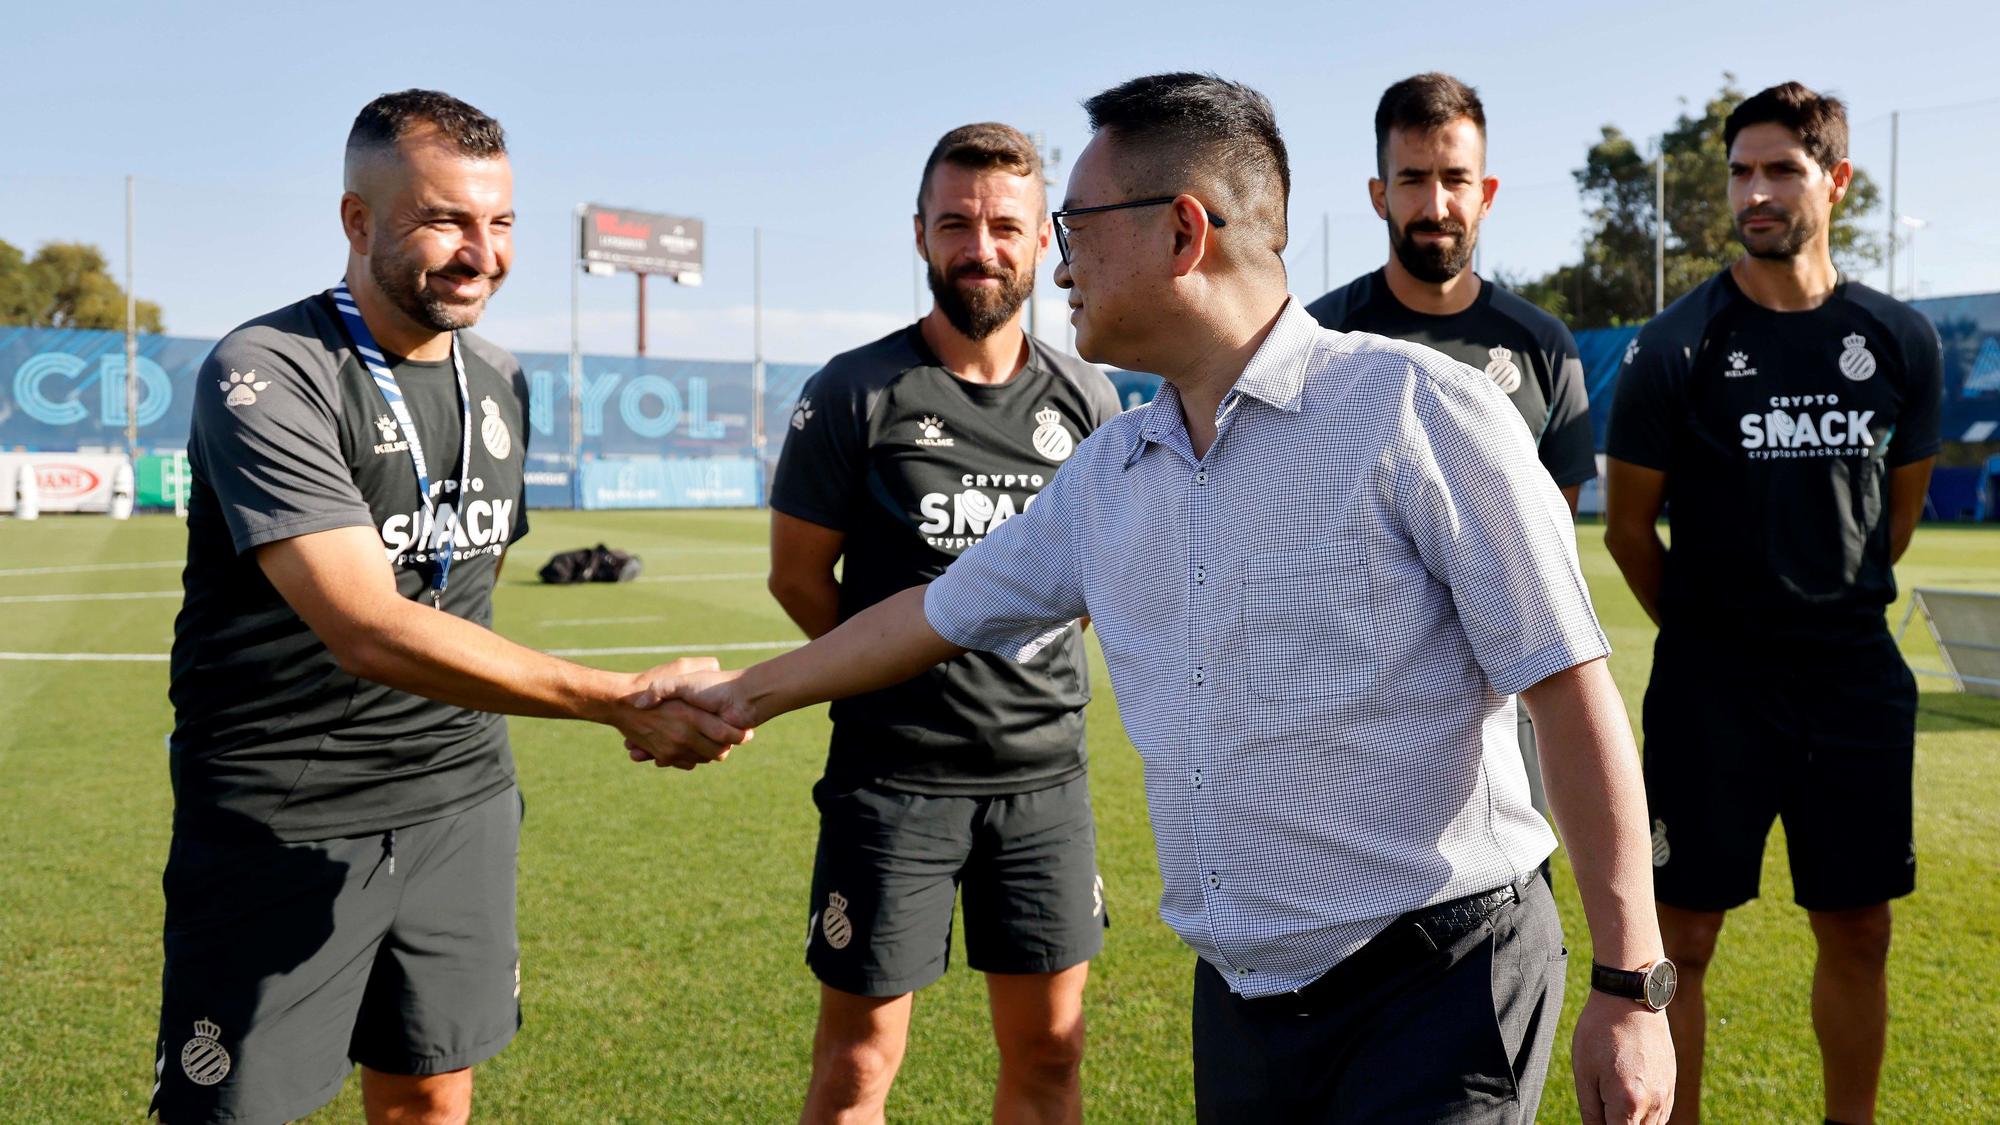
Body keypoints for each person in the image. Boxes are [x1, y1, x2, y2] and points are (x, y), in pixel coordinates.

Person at [649, 73, 1675, 1124]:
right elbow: (931, 613)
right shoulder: (1110, 471)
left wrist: (1631, 983)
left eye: (1076, 228)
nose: (1058, 265)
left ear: (1182, 233)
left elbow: (1566, 686)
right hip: (1241, 999)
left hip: (1440, 982)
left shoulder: (1416, 411)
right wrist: (743, 695)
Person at [153, 89, 742, 1125]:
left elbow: (463, 598)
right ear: (356, 221)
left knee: (430, 1092)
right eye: (443, 221)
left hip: (460, 801)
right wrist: (617, 698)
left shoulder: (501, 378)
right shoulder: (269, 373)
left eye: (499, 222)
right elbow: (368, 625)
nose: (481, 253)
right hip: (284, 811)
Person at [764, 122, 1120, 1124]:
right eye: (955, 223)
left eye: (1003, 226)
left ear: (1042, 240)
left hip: (1043, 782)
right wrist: (894, 667)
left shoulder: (1086, 399)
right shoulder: (851, 392)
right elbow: (796, 580)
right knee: (858, 1070)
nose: (980, 248)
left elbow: (1092, 584)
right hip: (892, 782)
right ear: (919, 234)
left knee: (1050, 1060)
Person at [1604, 81, 1941, 1125]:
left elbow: (1893, 519)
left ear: (1832, 180)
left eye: (1779, 170)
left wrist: (1816, 618)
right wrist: (1718, 638)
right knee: (1682, 939)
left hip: (1853, 687)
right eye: (1739, 172)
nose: (1754, 192)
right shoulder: (1673, 344)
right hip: (1714, 691)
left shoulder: (1897, 339)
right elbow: (1626, 531)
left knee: (1856, 930)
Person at [1307, 71, 1597, 823]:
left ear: (1487, 191)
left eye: (1455, 179)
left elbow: (1549, 530)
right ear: (1379, 194)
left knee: (1515, 906)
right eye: (1413, 180)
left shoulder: (1543, 346)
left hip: (1512, 698)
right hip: (1355, 713)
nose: (1435, 205)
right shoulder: (1317, 342)